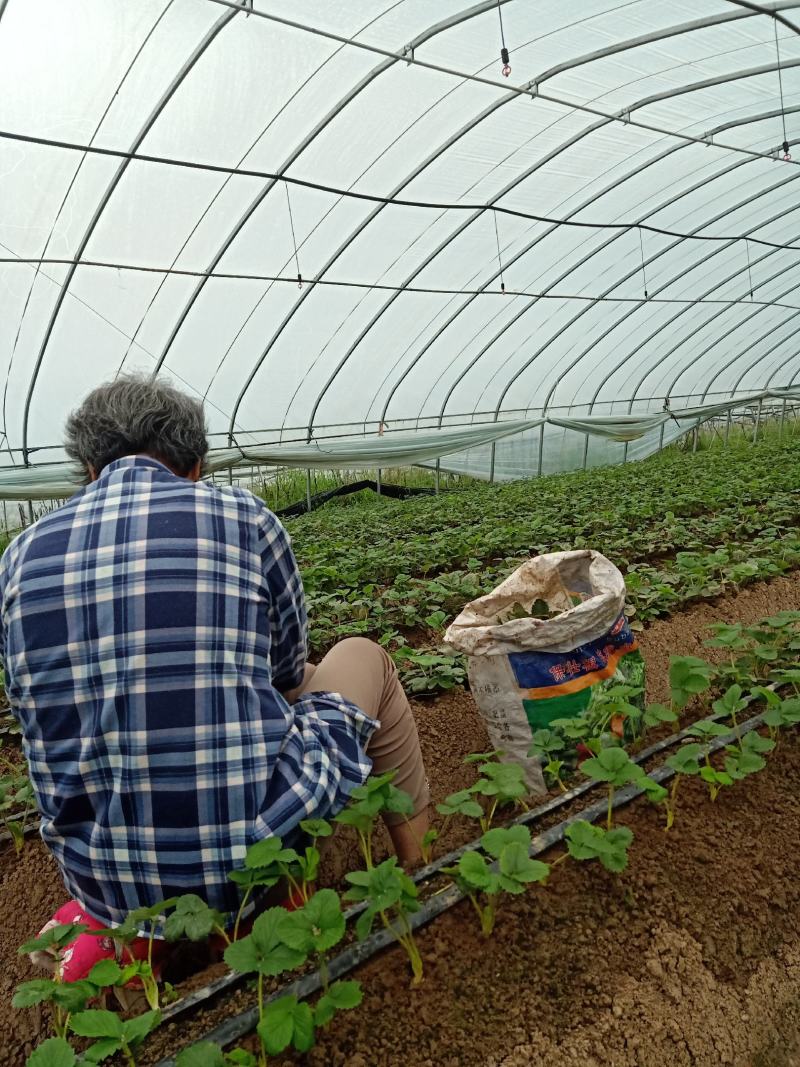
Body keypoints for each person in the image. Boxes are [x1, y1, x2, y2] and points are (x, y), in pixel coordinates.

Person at [0, 375, 429, 980]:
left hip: (105, 886)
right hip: (253, 861)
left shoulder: (18, 558)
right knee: (362, 657)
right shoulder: (244, 517)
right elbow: (284, 673)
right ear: (194, 464)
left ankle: (127, 940)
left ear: (89, 467)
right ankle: (420, 867)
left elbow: (34, 707)